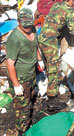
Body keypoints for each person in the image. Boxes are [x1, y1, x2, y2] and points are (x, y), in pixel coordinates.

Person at [38, 0, 74, 111]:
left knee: (48, 65)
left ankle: (49, 90)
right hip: (50, 40)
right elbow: (73, 32)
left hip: (42, 37)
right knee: (54, 68)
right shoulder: (71, 11)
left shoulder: (56, 6)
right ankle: (51, 99)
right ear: (71, 0)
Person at [6, 8, 44, 136]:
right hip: (20, 77)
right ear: (18, 22)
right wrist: (16, 85)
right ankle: (22, 131)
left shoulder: (32, 29)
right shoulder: (14, 38)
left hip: (31, 73)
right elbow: (10, 63)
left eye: (29, 24)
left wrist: (39, 60)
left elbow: (35, 46)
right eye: (25, 25)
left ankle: (27, 121)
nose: (28, 28)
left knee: (29, 99)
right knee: (22, 108)